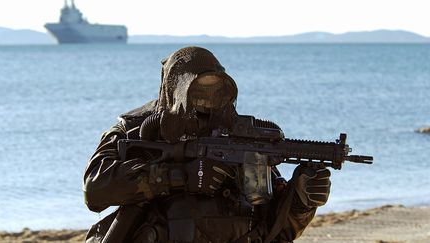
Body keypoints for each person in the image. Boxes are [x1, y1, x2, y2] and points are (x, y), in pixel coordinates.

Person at [83, 46, 331, 243]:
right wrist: (178, 176)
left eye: (215, 93)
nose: (207, 103)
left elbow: (278, 232)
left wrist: (300, 201)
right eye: (198, 92)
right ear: (176, 90)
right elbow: (95, 190)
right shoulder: (137, 129)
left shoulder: (242, 139)